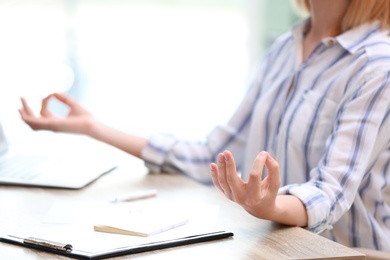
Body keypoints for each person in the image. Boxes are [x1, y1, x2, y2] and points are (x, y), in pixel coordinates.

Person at [19, 0, 390, 252]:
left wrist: (270, 206)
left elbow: (330, 194)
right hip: (278, 246)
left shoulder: (377, 64)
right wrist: (93, 128)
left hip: (348, 253)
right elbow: (214, 155)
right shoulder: (285, 48)